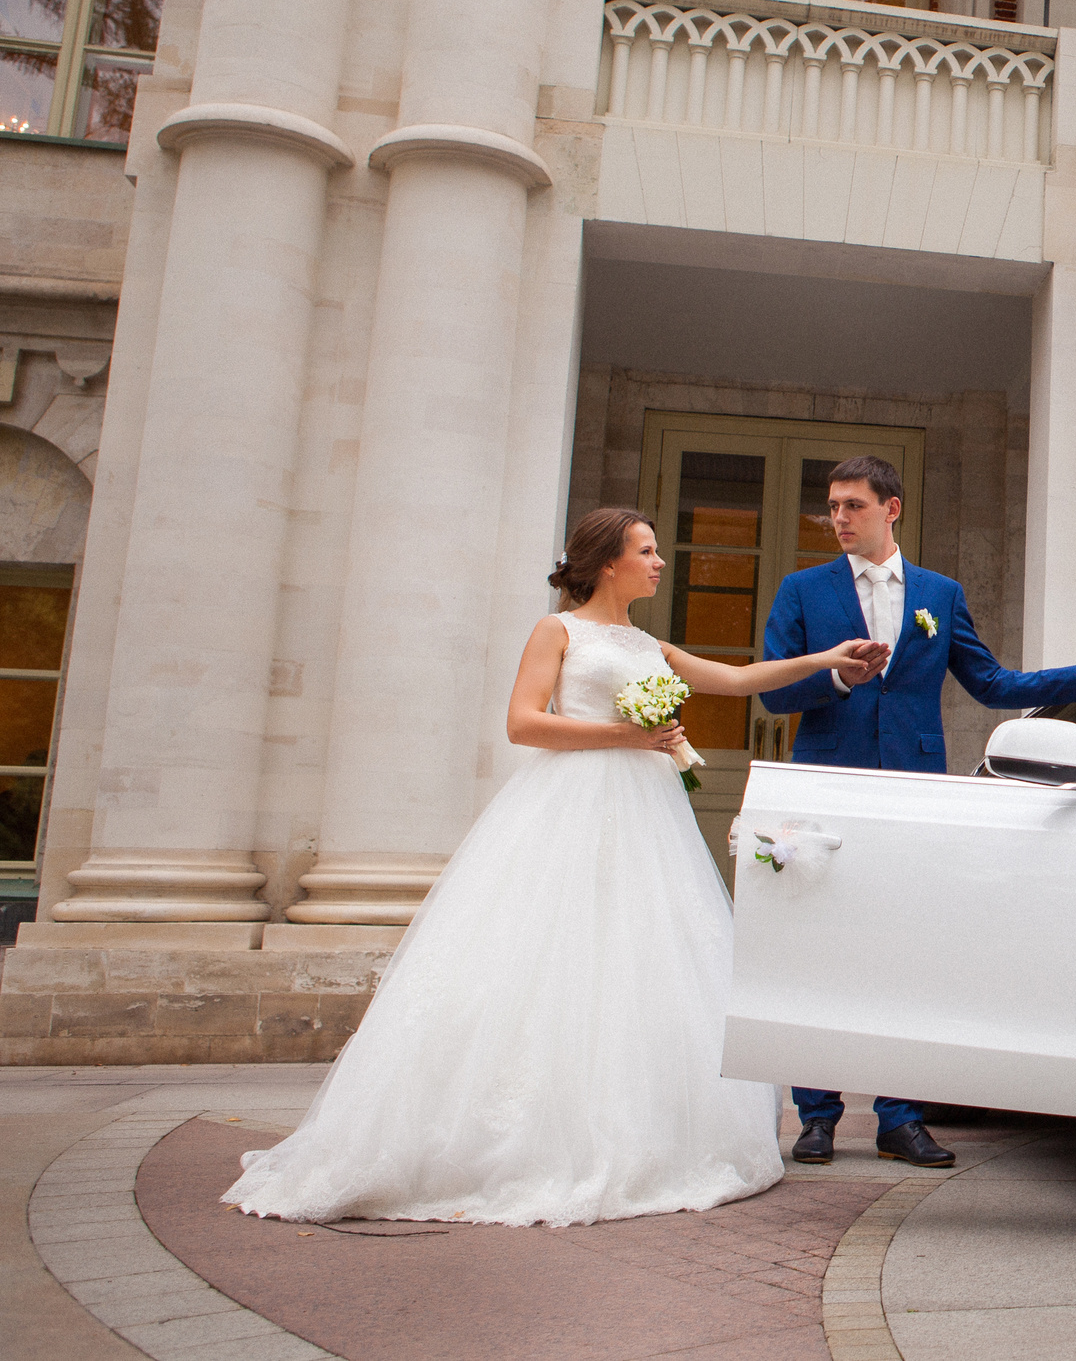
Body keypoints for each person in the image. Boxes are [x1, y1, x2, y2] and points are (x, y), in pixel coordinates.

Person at [222, 508, 882, 1226]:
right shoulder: (557, 630)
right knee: (547, 952)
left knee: (638, 957)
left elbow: (736, 676)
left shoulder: (644, 642)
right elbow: (523, 721)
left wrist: (826, 660)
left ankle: (644, 1129)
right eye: (647, 550)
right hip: (572, 801)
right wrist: (626, 733)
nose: (660, 561)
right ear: (607, 562)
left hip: (645, 811)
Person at [762, 454, 1076, 1169]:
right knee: (822, 949)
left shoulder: (939, 592)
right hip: (827, 786)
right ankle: (817, 1115)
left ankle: (901, 1117)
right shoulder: (802, 590)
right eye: (832, 507)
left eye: (852, 506)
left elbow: (992, 681)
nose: (838, 518)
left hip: (912, 791)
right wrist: (836, 678)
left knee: (908, 951)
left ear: (891, 508)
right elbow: (775, 692)